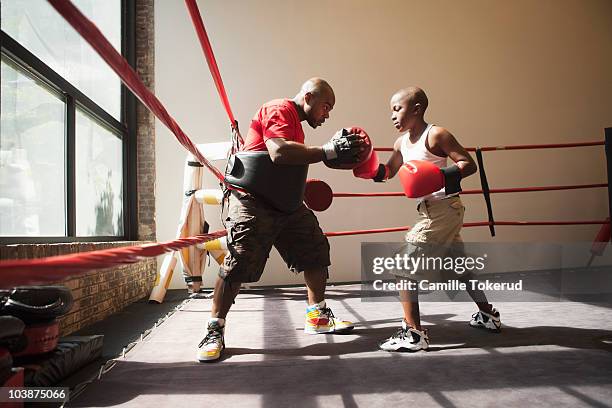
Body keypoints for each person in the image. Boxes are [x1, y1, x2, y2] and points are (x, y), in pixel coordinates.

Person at [198, 78, 368, 362]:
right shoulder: (279, 108)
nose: (327, 115)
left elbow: (289, 160)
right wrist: (327, 151)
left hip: (287, 205)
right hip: (252, 199)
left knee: (315, 251)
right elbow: (279, 152)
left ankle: (318, 316)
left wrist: (328, 154)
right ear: (309, 97)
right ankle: (214, 329)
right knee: (239, 261)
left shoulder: (296, 127)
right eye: (326, 107)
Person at [354, 86, 501, 352]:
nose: (392, 116)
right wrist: (365, 167)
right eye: (391, 111)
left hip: (444, 209)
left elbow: (468, 164)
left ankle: (414, 335)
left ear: (417, 109)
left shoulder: (436, 134)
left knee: (402, 265)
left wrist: (437, 176)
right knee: (460, 267)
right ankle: (488, 315)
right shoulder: (401, 143)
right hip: (434, 210)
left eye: (397, 109)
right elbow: (388, 171)